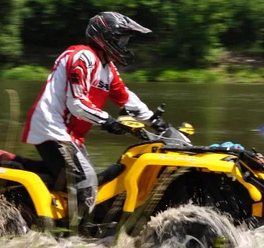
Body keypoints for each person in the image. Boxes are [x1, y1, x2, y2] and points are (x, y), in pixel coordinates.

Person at [21, 12, 167, 217]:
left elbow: (126, 98)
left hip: (71, 135)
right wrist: (109, 122)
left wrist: (156, 122)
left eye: (125, 41)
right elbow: (77, 103)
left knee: (85, 180)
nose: (124, 46)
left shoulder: (108, 68)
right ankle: (75, 239)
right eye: (121, 40)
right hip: (51, 127)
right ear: (104, 37)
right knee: (85, 180)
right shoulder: (83, 56)